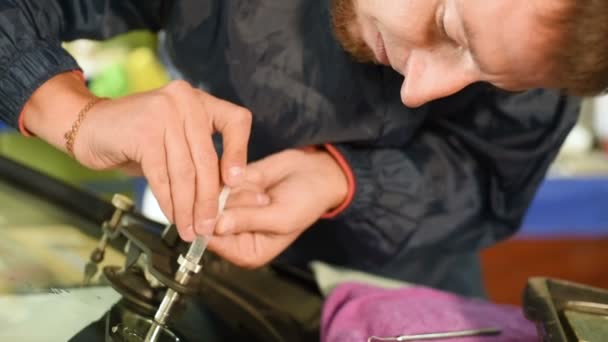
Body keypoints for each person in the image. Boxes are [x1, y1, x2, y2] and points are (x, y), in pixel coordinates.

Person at [0, 0, 599, 296]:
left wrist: (338, 180)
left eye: (485, 77)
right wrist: (73, 114)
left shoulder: (553, 30)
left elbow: (489, 175)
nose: (422, 90)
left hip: (412, 293)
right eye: (446, 27)